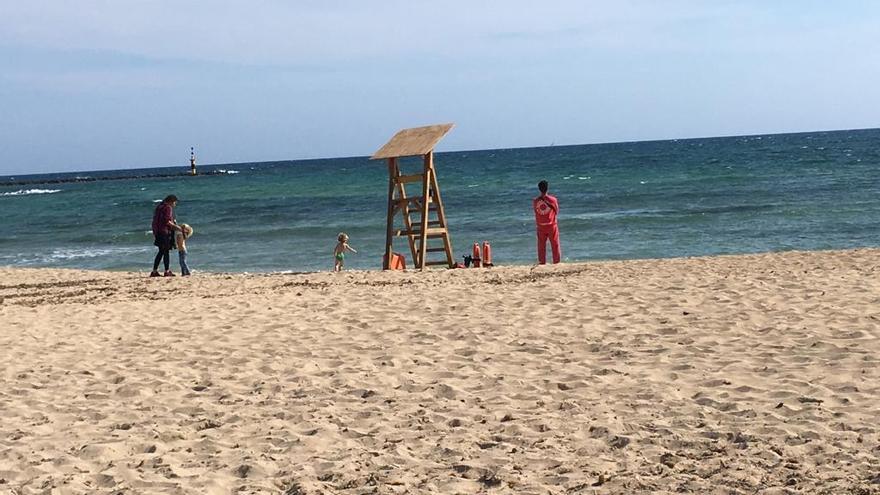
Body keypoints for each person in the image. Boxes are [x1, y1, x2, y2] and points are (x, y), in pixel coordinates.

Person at [150, 195, 182, 277]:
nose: (175, 204)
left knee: (161, 252)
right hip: (164, 232)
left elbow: (157, 219)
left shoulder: (159, 206)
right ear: (171, 201)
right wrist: (178, 228)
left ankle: (154, 271)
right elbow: (167, 221)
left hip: (158, 232)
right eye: (175, 202)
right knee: (166, 251)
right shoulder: (168, 208)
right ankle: (167, 271)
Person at [532, 180, 561, 264]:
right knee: (555, 244)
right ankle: (556, 261)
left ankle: (542, 261)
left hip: (540, 225)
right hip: (551, 224)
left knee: (541, 245)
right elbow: (556, 210)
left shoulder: (535, 201)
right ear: (547, 188)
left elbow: (536, 211)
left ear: (539, 189)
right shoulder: (553, 200)